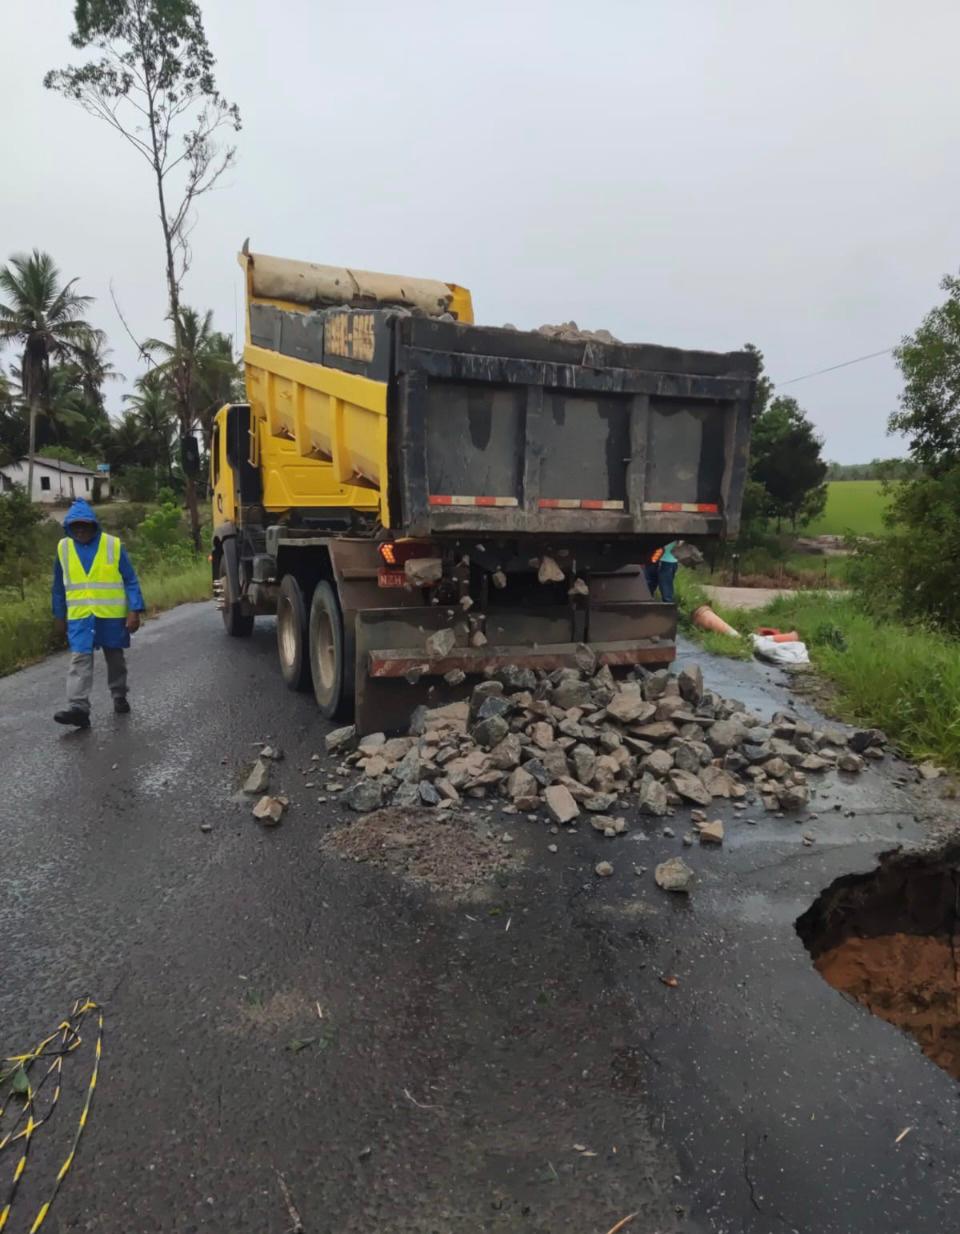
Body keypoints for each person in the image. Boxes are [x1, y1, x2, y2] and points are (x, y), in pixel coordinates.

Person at [51, 499, 146, 729]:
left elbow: (130, 579)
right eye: (75, 526)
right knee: (79, 660)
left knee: (115, 658)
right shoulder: (63, 549)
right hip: (80, 617)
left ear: (94, 525)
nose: (81, 530)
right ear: (69, 528)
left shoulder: (112, 545)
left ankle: (119, 695)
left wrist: (134, 610)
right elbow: (58, 587)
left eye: (85, 525)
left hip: (110, 616)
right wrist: (59, 616)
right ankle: (78, 708)